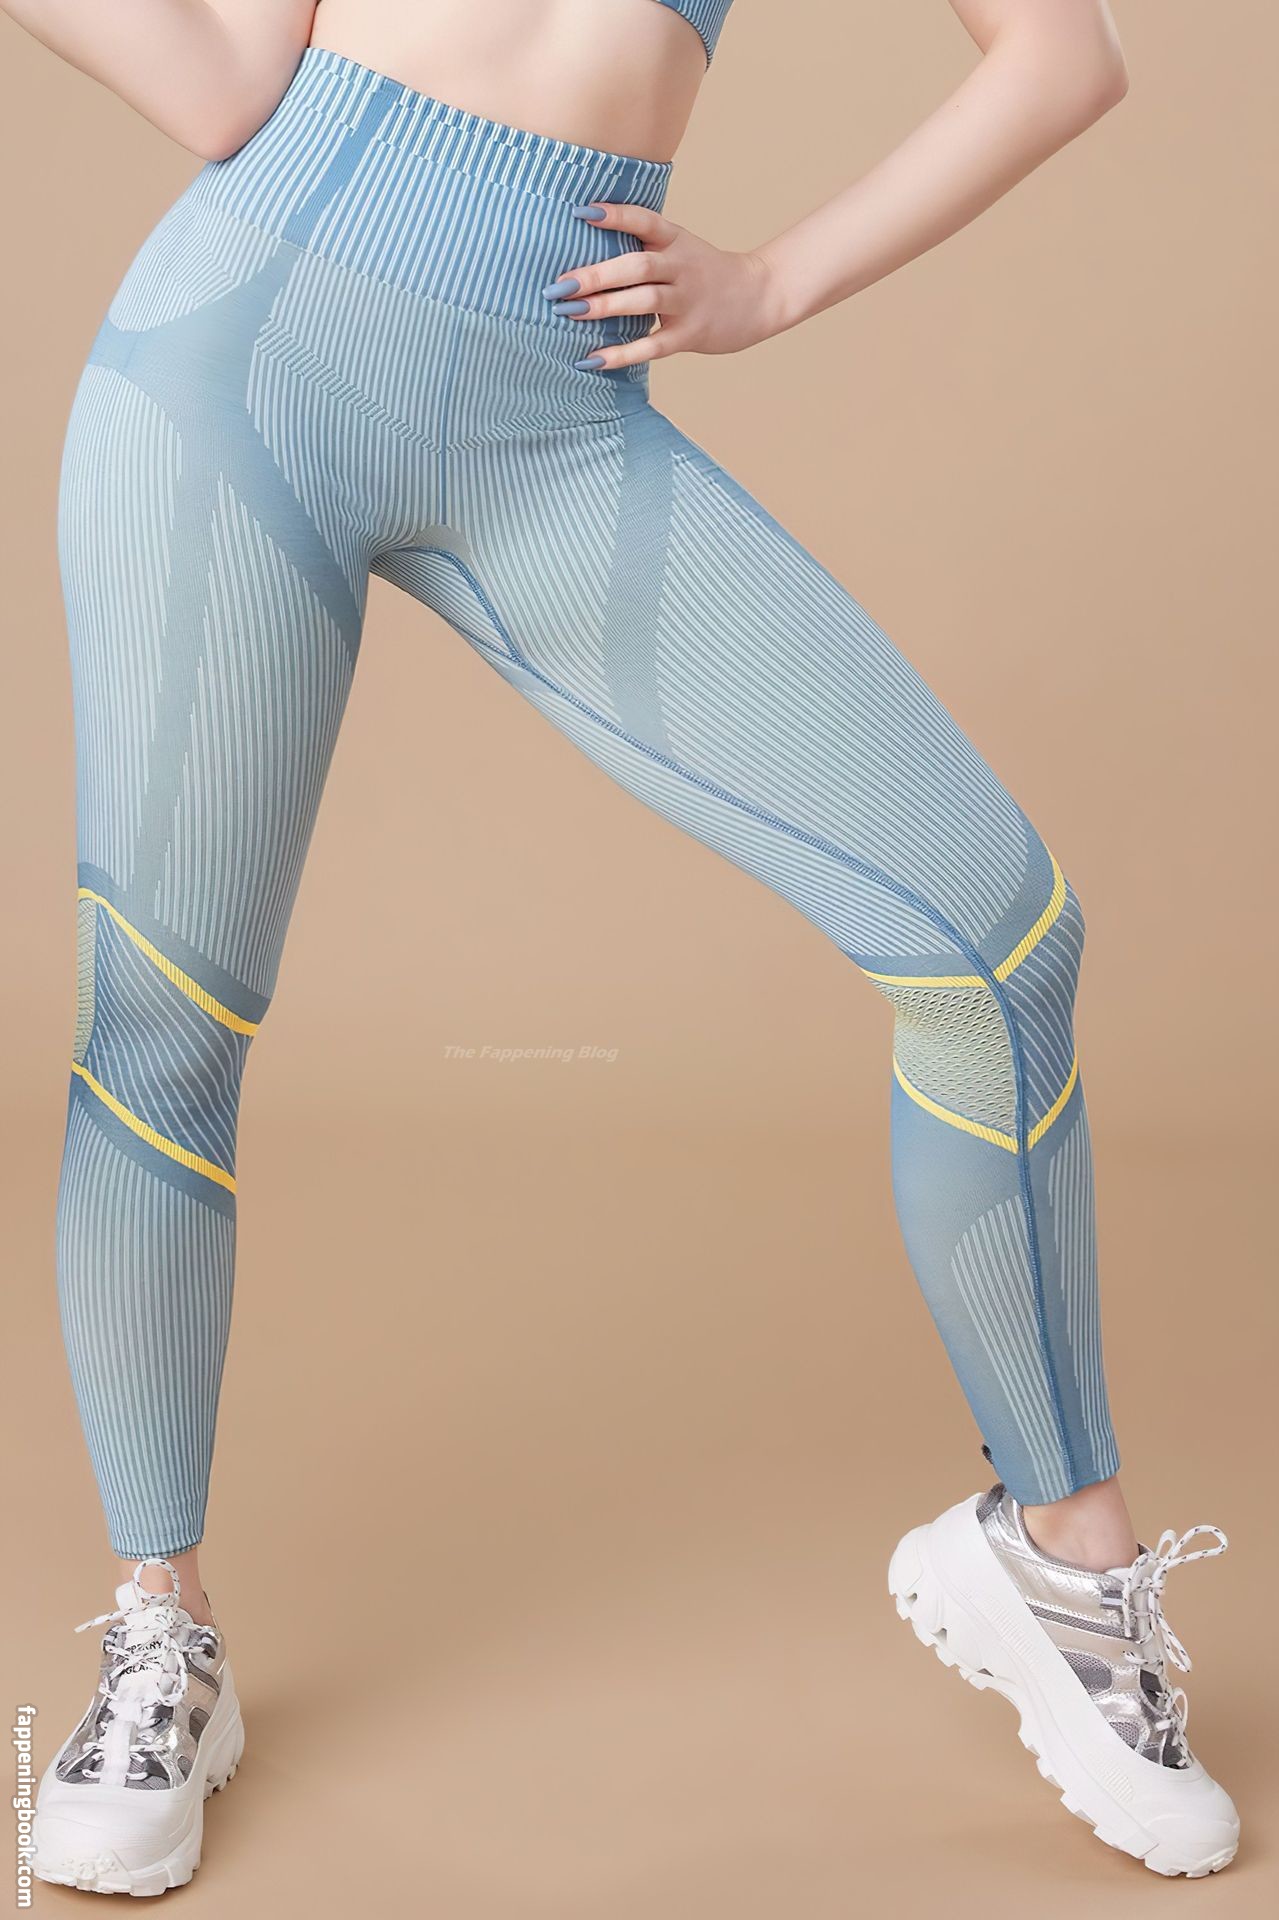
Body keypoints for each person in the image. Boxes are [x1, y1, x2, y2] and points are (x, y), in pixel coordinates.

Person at [8, 0, 1236, 1894]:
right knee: (158, 1021)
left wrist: (773, 283)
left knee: (997, 951)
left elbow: (1063, 57)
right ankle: (159, 1629)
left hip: (552, 416)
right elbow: (232, 75)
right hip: (239, 360)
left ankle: (1063, 1565)